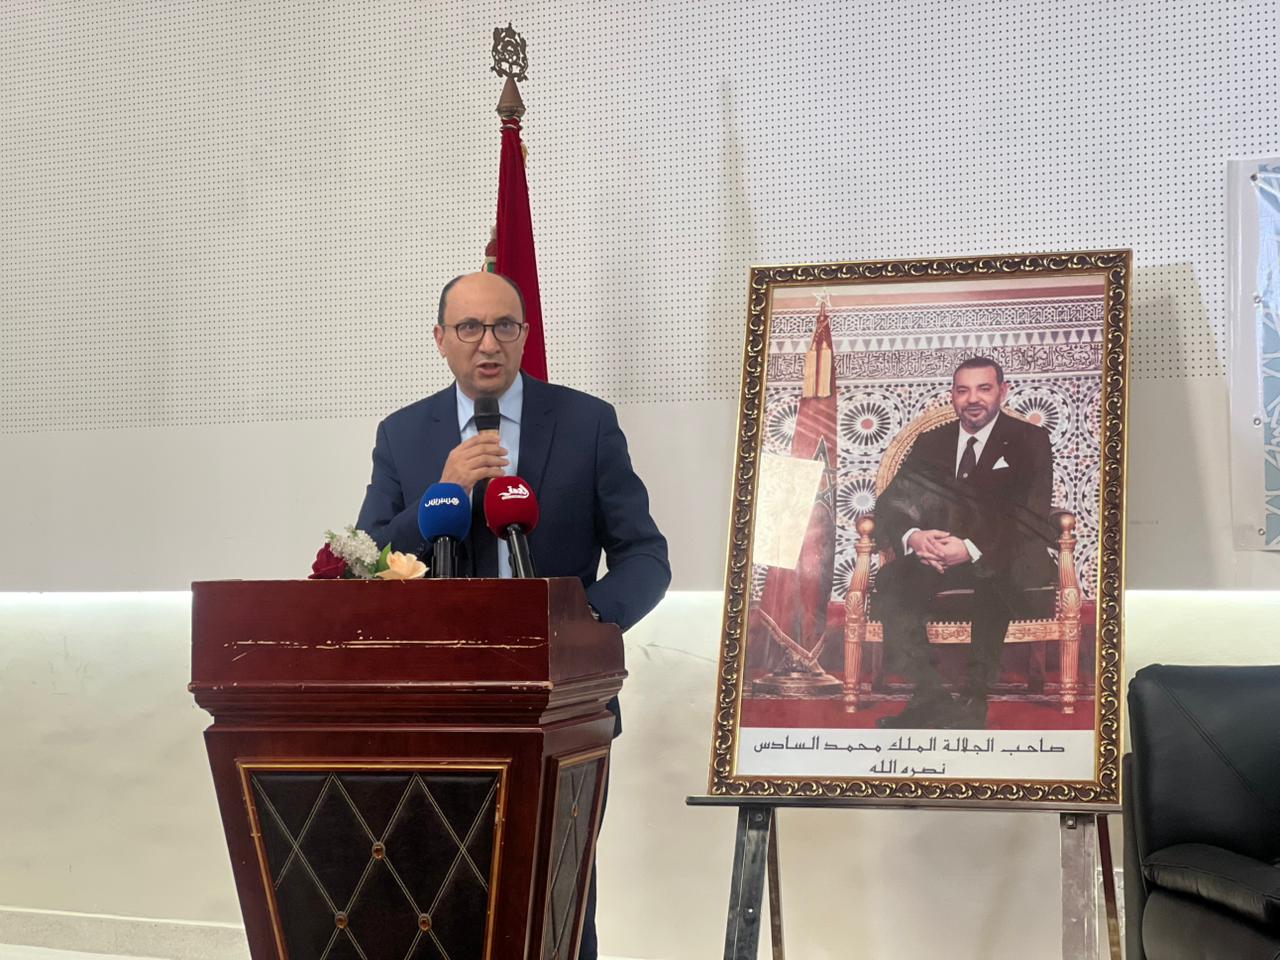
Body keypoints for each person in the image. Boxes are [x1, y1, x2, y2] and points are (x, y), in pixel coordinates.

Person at [355, 270, 669, 960]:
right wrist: (440, 491)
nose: (488, 343)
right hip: (439, 709)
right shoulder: (403, 434)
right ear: (440, 339)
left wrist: (578, 628)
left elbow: (646, 557)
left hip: (561, 711)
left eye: (504, 326)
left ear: (525, 335)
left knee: (557, 892)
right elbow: (367, 562)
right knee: (438, 898)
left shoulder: (587, 424)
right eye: (469, 327)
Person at [872, 357, 1055, 730]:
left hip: (1005, 553)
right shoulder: (931, 442)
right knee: (892, 580)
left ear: (1003, 392)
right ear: (952, 396)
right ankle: (929, 697)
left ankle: (974, 700)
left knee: (992, 575)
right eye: (963, 390)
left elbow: (1031, 514)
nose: (973, 399)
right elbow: (890, 503)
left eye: (983, 388)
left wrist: (970, 547)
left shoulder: (1029, 440)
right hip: (939, 556)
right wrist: (914, 537)